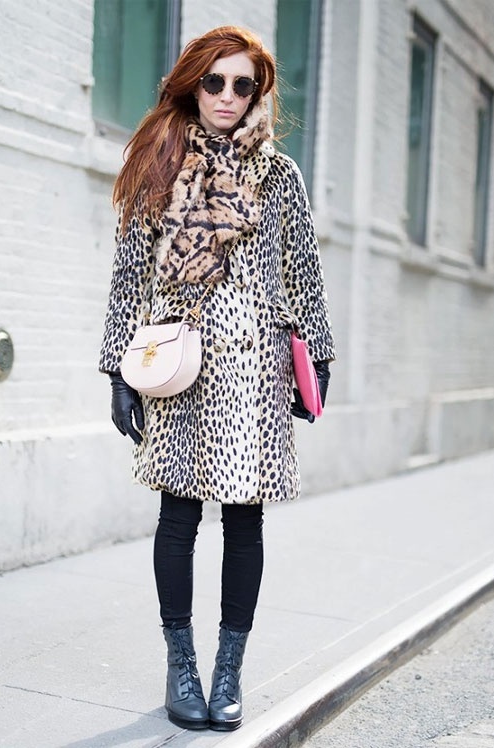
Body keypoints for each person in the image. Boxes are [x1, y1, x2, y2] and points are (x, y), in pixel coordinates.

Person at [99, 25, 335, 732]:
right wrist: (117, 370)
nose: (228, 96)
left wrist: (319, 358)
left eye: (243, 85)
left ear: (257, 93)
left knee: (243, 521)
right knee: (177, 517)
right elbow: (130, 276)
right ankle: (183, 665)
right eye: (215, 81)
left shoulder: (279, 176)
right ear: (192, 84)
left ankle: (228, 669)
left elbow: (303, 270)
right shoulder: (160, 162)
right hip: (180, 364)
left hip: (257, 368)